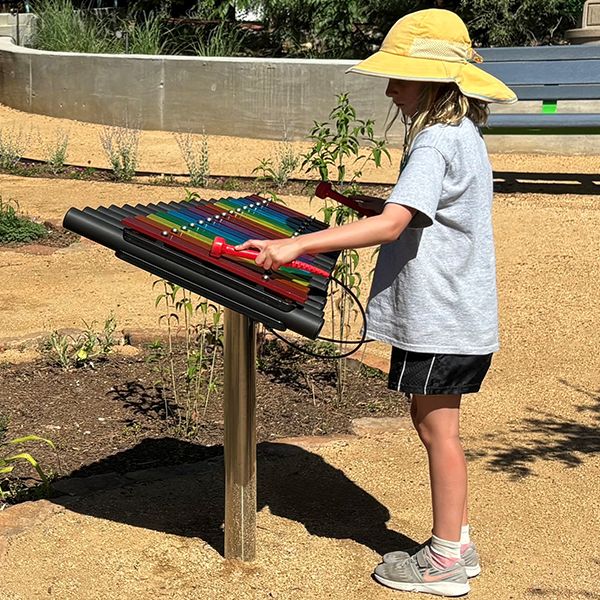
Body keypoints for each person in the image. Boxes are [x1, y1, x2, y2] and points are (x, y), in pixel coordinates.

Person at [236, 8, 516, 597]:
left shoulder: (435, 142)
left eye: (400, 77)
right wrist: (375, 206)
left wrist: (295, 246)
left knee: (437, 429)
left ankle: (443, 560)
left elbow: (394, 228)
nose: (390, 88)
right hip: (459, 312)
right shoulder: (463, 135)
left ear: (435, 81)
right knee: (436, 424)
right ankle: (456, 544)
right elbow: (418, 217)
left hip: (441, 316)